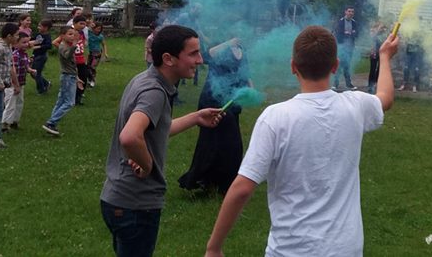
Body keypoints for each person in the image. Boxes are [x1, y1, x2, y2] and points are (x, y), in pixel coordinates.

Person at [204, 25, 400, 257]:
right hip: (345, 248)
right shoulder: (355, 105)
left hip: (291, 249)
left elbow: (243, 188)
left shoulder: (275, 117)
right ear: (335, 66)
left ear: (293, 66)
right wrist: (385, 57)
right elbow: (385, 98)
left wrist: (214, 247)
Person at [100, 25, 223, 257]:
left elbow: (155, 131)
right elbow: (129, 136)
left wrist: (196, 117)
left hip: (118, 200)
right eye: (193, 53)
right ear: (168, 59)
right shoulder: (154, 92)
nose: (200, 60)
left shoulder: (144, 79)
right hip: (136, 204)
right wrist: (146, 165)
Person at [179, 37, 250, 194]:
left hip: (232, 101)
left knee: (232, 144)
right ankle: (204, 180)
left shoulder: (242, 50)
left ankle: (225, 182)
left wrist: (250, 88)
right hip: (213, 100)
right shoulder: (219, 46)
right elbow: (206, 56)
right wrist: (229, 43)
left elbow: (245, 72)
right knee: (211, 142)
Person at [42, 26, 83, 137]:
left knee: (60, 101)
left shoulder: (67, 46)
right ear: (62, 36)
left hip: (70, 76)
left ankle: (52, 124)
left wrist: (77, 78)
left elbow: (71, 65)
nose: (72, 36)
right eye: (70, 34)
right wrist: (74, 44)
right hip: (67, 78)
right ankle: (51, 122)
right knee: (69, 103)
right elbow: (67, 56)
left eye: (73, 34)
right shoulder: (63, 46)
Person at [2, 32, 35, 132]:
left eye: (27, 42)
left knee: (19, 102)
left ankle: (14, 121)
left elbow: (25, 66)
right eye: (23, 42)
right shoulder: (15, 55)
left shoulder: (24, 54)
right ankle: (5, 124)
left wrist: (30, 70)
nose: (26, 44)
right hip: (12, 84)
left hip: (21, 83)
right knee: (10, 104)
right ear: (15, 44)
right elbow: (12, 71)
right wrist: (15, 85)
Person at [332, 6, 359, 90]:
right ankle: (335, 84)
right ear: (345, 12)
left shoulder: (354, 22)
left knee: (347, 65)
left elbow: (356, 34)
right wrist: (347, 33)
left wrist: (350, 33)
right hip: (341, 47)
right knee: (339, 65)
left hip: (350, 47)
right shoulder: (340, 22)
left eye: (352, 12)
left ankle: (348, 84)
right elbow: (338, 34)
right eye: (349, 11)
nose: (351, 13)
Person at [31, 19, 53, 94]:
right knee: (33, 73)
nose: (38, 27)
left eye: (40, 26)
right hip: (35, 55)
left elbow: (49, 45)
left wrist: (39, 47)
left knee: (36, 73)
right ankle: (46, 83)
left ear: (46, 28)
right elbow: (33, 39)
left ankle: (41, 90)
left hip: (41, 56)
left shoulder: (47, 36)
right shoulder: (38, 34)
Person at [367, 22, 388, 94]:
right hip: (374, 52)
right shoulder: (373, 31)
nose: (382, 29)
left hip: (381, 52)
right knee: (373, 69)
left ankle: (376, 83)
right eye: (381, 27)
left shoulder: (384, 34)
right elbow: (372, 37)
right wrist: (378, 30)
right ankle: (370, 85)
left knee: (379, 69)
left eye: (382, 27)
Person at [87, 22, 107, 87]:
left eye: (100, 29)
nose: (98, 30)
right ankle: (89, 79)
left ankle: (93, 80)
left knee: (93, 67)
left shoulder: (100, 36)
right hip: (90, 53)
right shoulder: (89, 33)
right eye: (97, 28)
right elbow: (87, 27)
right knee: (88, 67)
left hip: (97, 53)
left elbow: (104, 44)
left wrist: (105, 53)